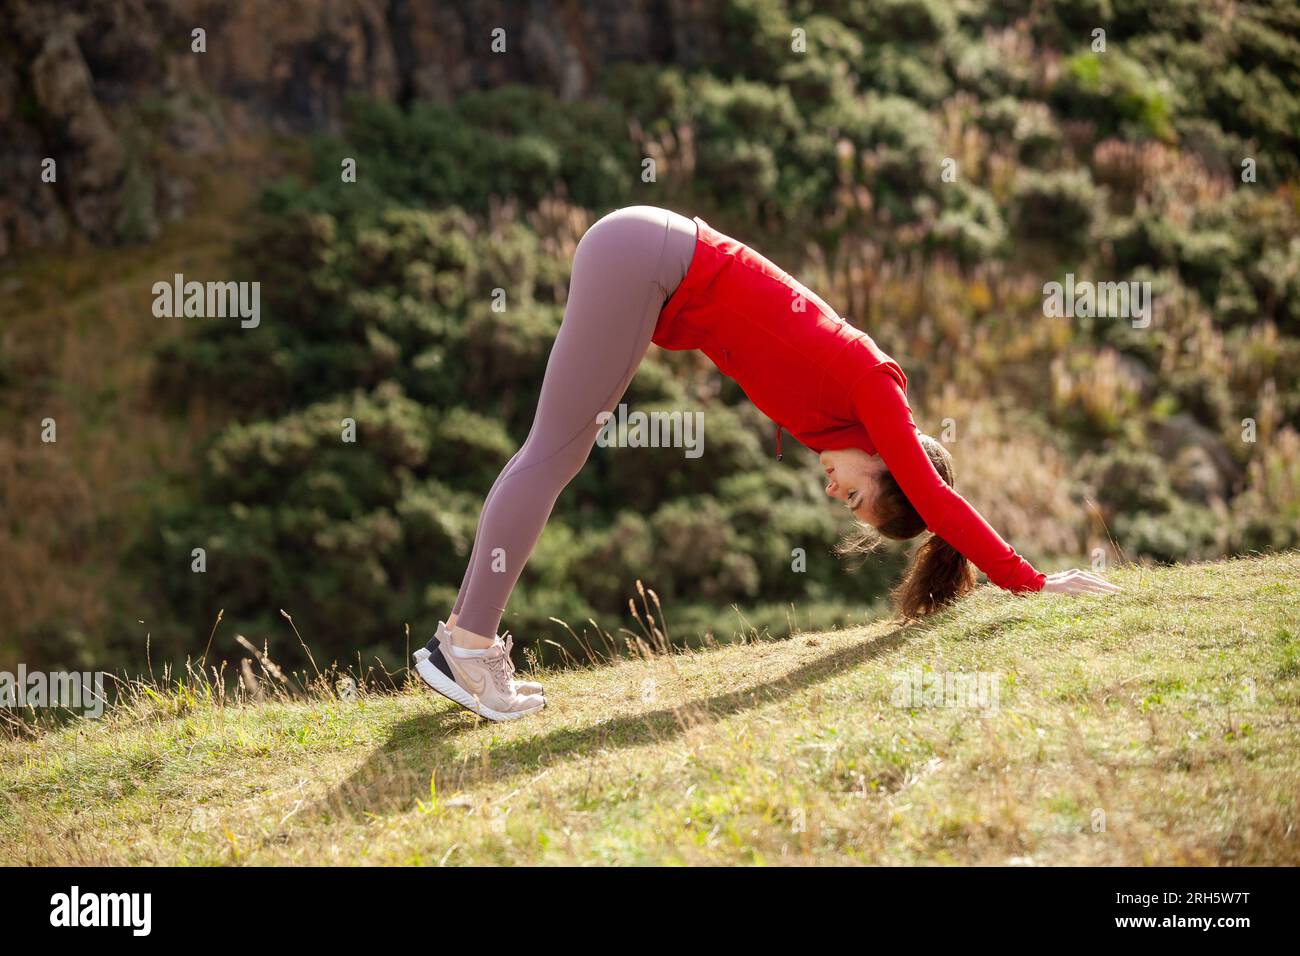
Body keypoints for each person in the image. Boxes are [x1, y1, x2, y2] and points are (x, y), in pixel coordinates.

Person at [412, 206, 1118, 720]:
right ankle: (469, 648)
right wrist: (1029, 582)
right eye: (854, 497)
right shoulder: (876, 390)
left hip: (642, 255)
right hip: (645, 259)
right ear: (885, 461)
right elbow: (934, 498)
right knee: (553, 455)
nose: (833, 487)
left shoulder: (835, 418)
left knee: (549, 453)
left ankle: (463, 642)